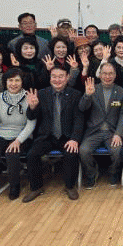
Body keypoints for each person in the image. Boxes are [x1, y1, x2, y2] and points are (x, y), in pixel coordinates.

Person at [22, 66, 85, 202]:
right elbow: (32, 117)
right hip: (46, 136)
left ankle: (70, 186)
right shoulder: (41, 94)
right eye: (54, 76)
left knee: (71, 153)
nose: (57, 80)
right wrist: (32, 107)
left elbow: (79, 120)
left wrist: (75, 139)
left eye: (61, 76)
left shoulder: (75, 94)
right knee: (32, 154)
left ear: (67, 77)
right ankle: (36, 188)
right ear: (50, 78)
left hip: (66, 136)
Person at [0, 67, 36, 202]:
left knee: (12, 153)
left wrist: (18, 140)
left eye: (17, 80)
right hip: (0, 133)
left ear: (22, 82)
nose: (13, 84)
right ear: (5, 82)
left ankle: (14, 186)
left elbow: (31, 124)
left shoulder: (29, 97)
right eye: (10, 80)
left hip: (22, 135)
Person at [78, 67, 123, 188]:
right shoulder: (92, 89)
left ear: (115, 75)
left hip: (112, 132)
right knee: (83, 150)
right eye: (104, 73)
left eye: (111, 73)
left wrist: (119, 134)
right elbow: (82, 108)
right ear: (99, 75)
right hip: (94, 132)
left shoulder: (122, 92)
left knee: (117, 151)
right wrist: (87, 95)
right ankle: (91, 173)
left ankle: (113, 172)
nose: (107, 76)